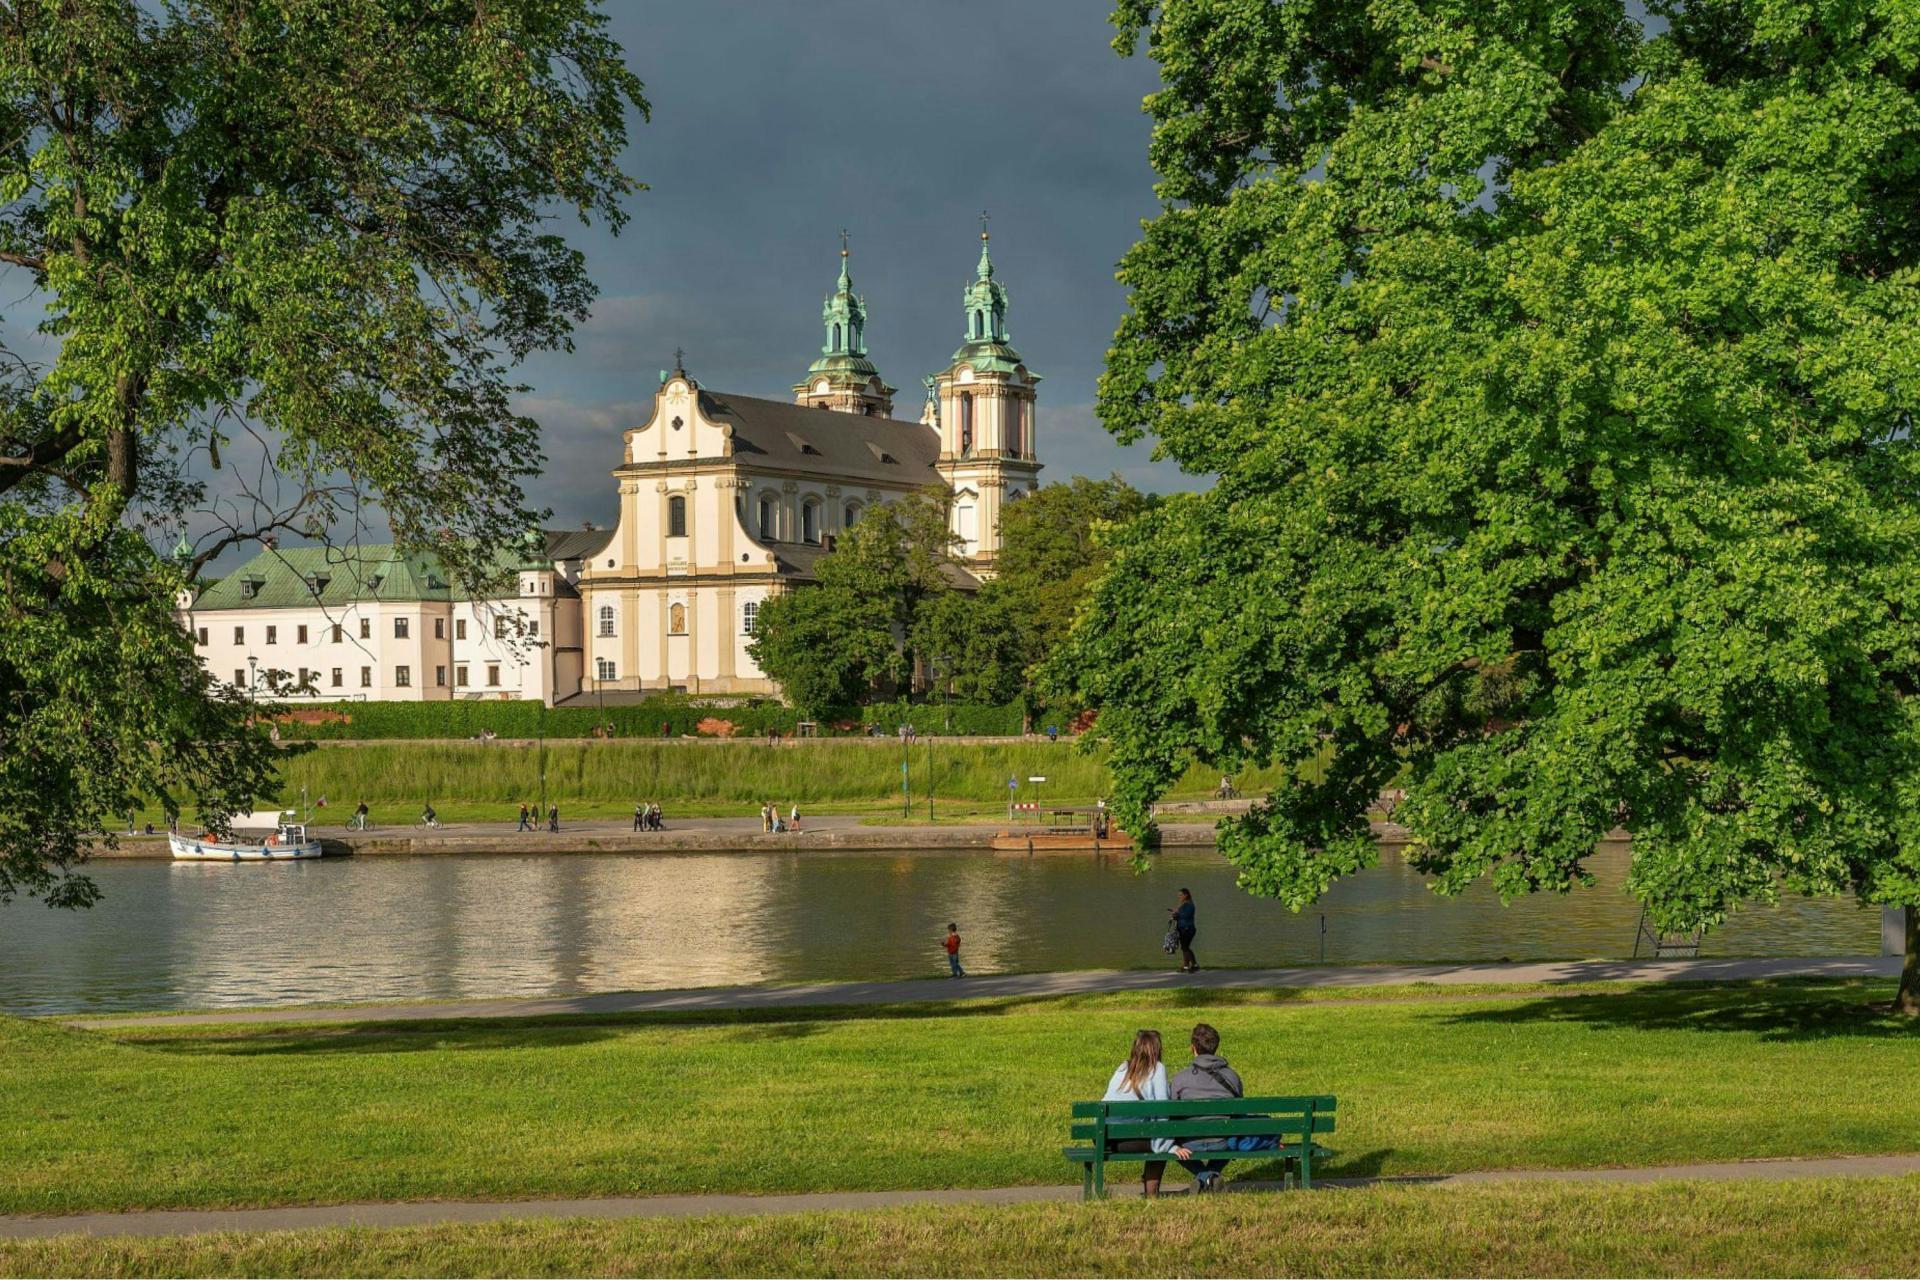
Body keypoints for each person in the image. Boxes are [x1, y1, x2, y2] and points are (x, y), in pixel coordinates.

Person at [1168, 1023, 1272, 1192]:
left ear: (1192, 1048)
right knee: (1233, 1135)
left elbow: (1171, 1114)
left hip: (1189, 1143)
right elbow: (1239, 1112)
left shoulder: (1180, 1078)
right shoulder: (1232, 1076)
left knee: (1169, 1143)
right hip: (1223, 1142)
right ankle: (1211, 1177)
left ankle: (1202, 1176)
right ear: (1216, 1047)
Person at [1102, 1030, 1176, 1198]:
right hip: (1128, 1138)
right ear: (1157, 1050)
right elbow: (1163, 1110)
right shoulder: (1157, 1068)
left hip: (1104, 1137)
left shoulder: (1122, 1068)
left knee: (1156, 1138)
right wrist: (1168, 1145)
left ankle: (1150, 1189)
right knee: (1160, 1140)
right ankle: (1151, 1193)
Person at [1170, 888, 1197, 972]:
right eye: (1178, 895)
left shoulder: (1189, 905)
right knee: (1186, 947)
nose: (1179, 897)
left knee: (1185, 947)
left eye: (1181, 895)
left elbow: (1186, 915)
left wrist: (1177, 913)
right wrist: (1174, 915)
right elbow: (1180, 916)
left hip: (1187, 929)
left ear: (1186, 895)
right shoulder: (1183, 904)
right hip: (1183, 928)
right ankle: (1194, 965)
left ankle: (1186, 965)